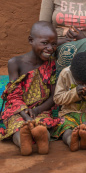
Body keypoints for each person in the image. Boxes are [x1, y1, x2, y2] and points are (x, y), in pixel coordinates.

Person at [0, 21, 61, 156]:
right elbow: (13, 96)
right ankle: (23, 142)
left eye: (54, 44)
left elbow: (53, 96)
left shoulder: (52, 64)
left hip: (41, 109)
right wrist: (25, 115)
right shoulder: (15, 63)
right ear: (31, 40)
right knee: (17, 126)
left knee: (43, 123)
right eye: (45, 43)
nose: (50, 48)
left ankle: (42, 139)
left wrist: (36, 110)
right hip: (18, 110)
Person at [52, 52, 86, 151]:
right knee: (66, 129)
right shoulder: (65, 74)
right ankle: (70, 140)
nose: (85, 85)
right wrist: (75, 93)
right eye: (81, 83)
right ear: (72, 73)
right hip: (68, 113)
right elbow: (57, 99)